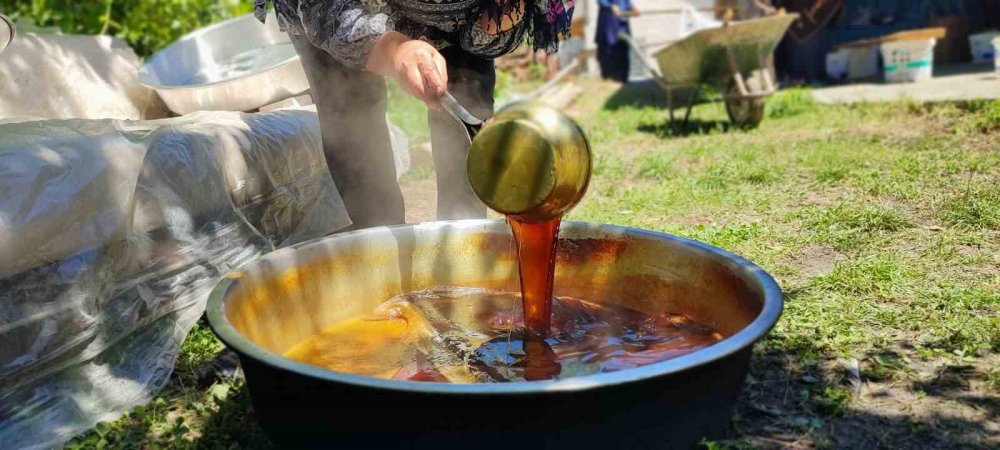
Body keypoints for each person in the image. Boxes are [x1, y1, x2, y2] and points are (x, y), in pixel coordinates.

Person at [254, 0, 574, 229]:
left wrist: (491, 23)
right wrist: (391, 50)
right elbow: (322, 10)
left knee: (465, 101)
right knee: (352, 113)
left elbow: (481, 42)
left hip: (458, 17)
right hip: (333, 11)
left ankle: (460, 236)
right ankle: (377, 238)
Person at [595, 0, 639, 83]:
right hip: (608, 30)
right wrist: (611, 6)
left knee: (623, 57)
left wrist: (634, 9)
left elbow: (629, 6)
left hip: (622, 30)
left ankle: (622, 82)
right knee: (608, 57)